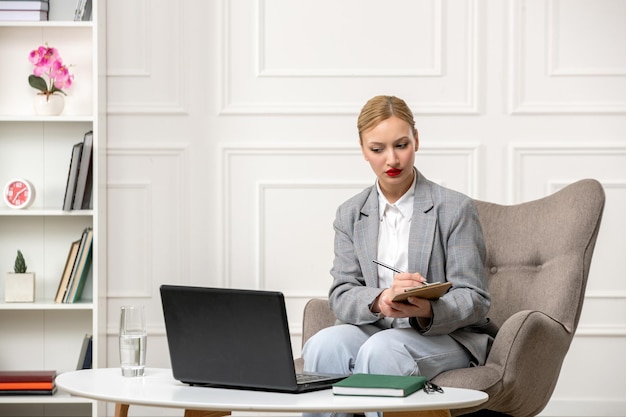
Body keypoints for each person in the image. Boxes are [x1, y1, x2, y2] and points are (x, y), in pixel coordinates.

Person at [302, 95, 494, 417]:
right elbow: (342, 293)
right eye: (378, 149)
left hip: (444, 335)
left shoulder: (454, 208)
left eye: (401, 145)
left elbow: (475, 298)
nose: (392, 159)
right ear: (363, 150)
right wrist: (381, 299)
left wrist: (428, 308)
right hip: (377, 326)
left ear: (416, 140)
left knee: (381, 351)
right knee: (323, 345)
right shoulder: (350, 214)